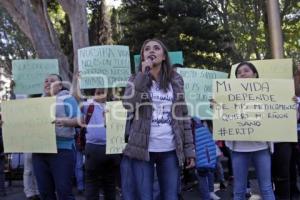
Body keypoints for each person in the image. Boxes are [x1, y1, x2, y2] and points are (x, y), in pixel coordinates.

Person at [121, 38, 195, 200]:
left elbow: (183, 116)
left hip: (170, 149)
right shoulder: (135, 79)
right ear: (143, 57)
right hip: (142, 150)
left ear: (163, 57)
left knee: (170, 196)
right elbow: (128, 104)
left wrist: (189, 150)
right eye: (147, 49)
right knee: (145, 196)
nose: (151, 51)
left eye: (156, 48)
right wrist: (142, 75)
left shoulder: (176, 80)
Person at [212, 62, 275, 200]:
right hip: (239, 149)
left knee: (266, 188)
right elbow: (222, 118)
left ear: (255, 74)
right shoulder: (228, 95)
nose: (242, 74)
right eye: (239, 72)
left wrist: (290, 103)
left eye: (246, 70)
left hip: (261, 147)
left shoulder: (268, 93)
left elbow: (279, 115)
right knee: (239, 190)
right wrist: (216, 107)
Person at [32, 74, 80, 200]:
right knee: (45, 193)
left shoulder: (68, 99)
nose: (48, 83)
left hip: (62, 151)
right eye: (46, 81)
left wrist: (65, 122)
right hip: (40, 151)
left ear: (59, 86)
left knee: (64, 192)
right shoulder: (36, 103)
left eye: (52, 81)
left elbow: (80, 120)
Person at [82, 88, 119, 200]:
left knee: (110, 184)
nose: (100, 95)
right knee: (92, 184)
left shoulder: (115, 106)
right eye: (98, 93)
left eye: (103, 92)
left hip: (112, 149)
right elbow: (75, 98)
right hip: (94, 149)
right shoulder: (88, 105)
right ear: (93, 95)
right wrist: (75, 79)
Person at [0, 114, 6, 197]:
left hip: (1, 153)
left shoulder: (2, 129)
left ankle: (2, 190)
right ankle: (2, 191)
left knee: (1, 173)